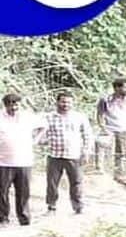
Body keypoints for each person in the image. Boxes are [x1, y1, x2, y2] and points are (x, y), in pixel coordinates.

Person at [43, 92, 93, 215]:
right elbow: (39, 133)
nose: (66, 104)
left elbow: (87, 135)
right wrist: (42, 142)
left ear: (72, 103)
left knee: (76, 182)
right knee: (52, 183)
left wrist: (86, 151)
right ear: (57, 102)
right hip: (55, 155)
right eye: (63, 101)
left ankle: (78, 207)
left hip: (74, 155)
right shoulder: (48, 117)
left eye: (69, 102)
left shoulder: (79, 117)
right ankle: (51, 207)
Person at [0, 93, 45, 226]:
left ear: (20, 104)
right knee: (2, 192)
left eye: (16, 104)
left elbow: (44, 125)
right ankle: (3, 218)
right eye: (10, 104)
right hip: (3, 162)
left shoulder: (28, 117)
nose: (13, 107)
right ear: (5, 105)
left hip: (24, 161)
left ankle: (24, 219)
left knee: (23, 192)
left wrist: (35, 140)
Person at [96, 78, 126, 184]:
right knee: (100, 145)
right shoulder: (106, 99)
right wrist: (102, 126)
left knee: (121, 152)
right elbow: (99, 114)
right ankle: (99, 169)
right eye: (125, 87)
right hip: (109, 127)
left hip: (124, 128)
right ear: (117, 88)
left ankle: (118, 175)